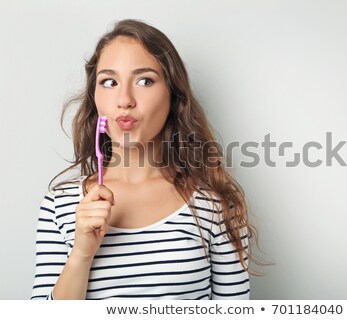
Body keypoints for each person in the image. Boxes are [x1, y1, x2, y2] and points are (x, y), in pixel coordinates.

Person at [31, 19, 257, 300]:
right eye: (109, 82)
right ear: (95, 97)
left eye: (144, 80)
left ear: (173, 96)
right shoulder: (60, 204)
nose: (124, 99)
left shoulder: (217, 204)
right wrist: (81, 254)